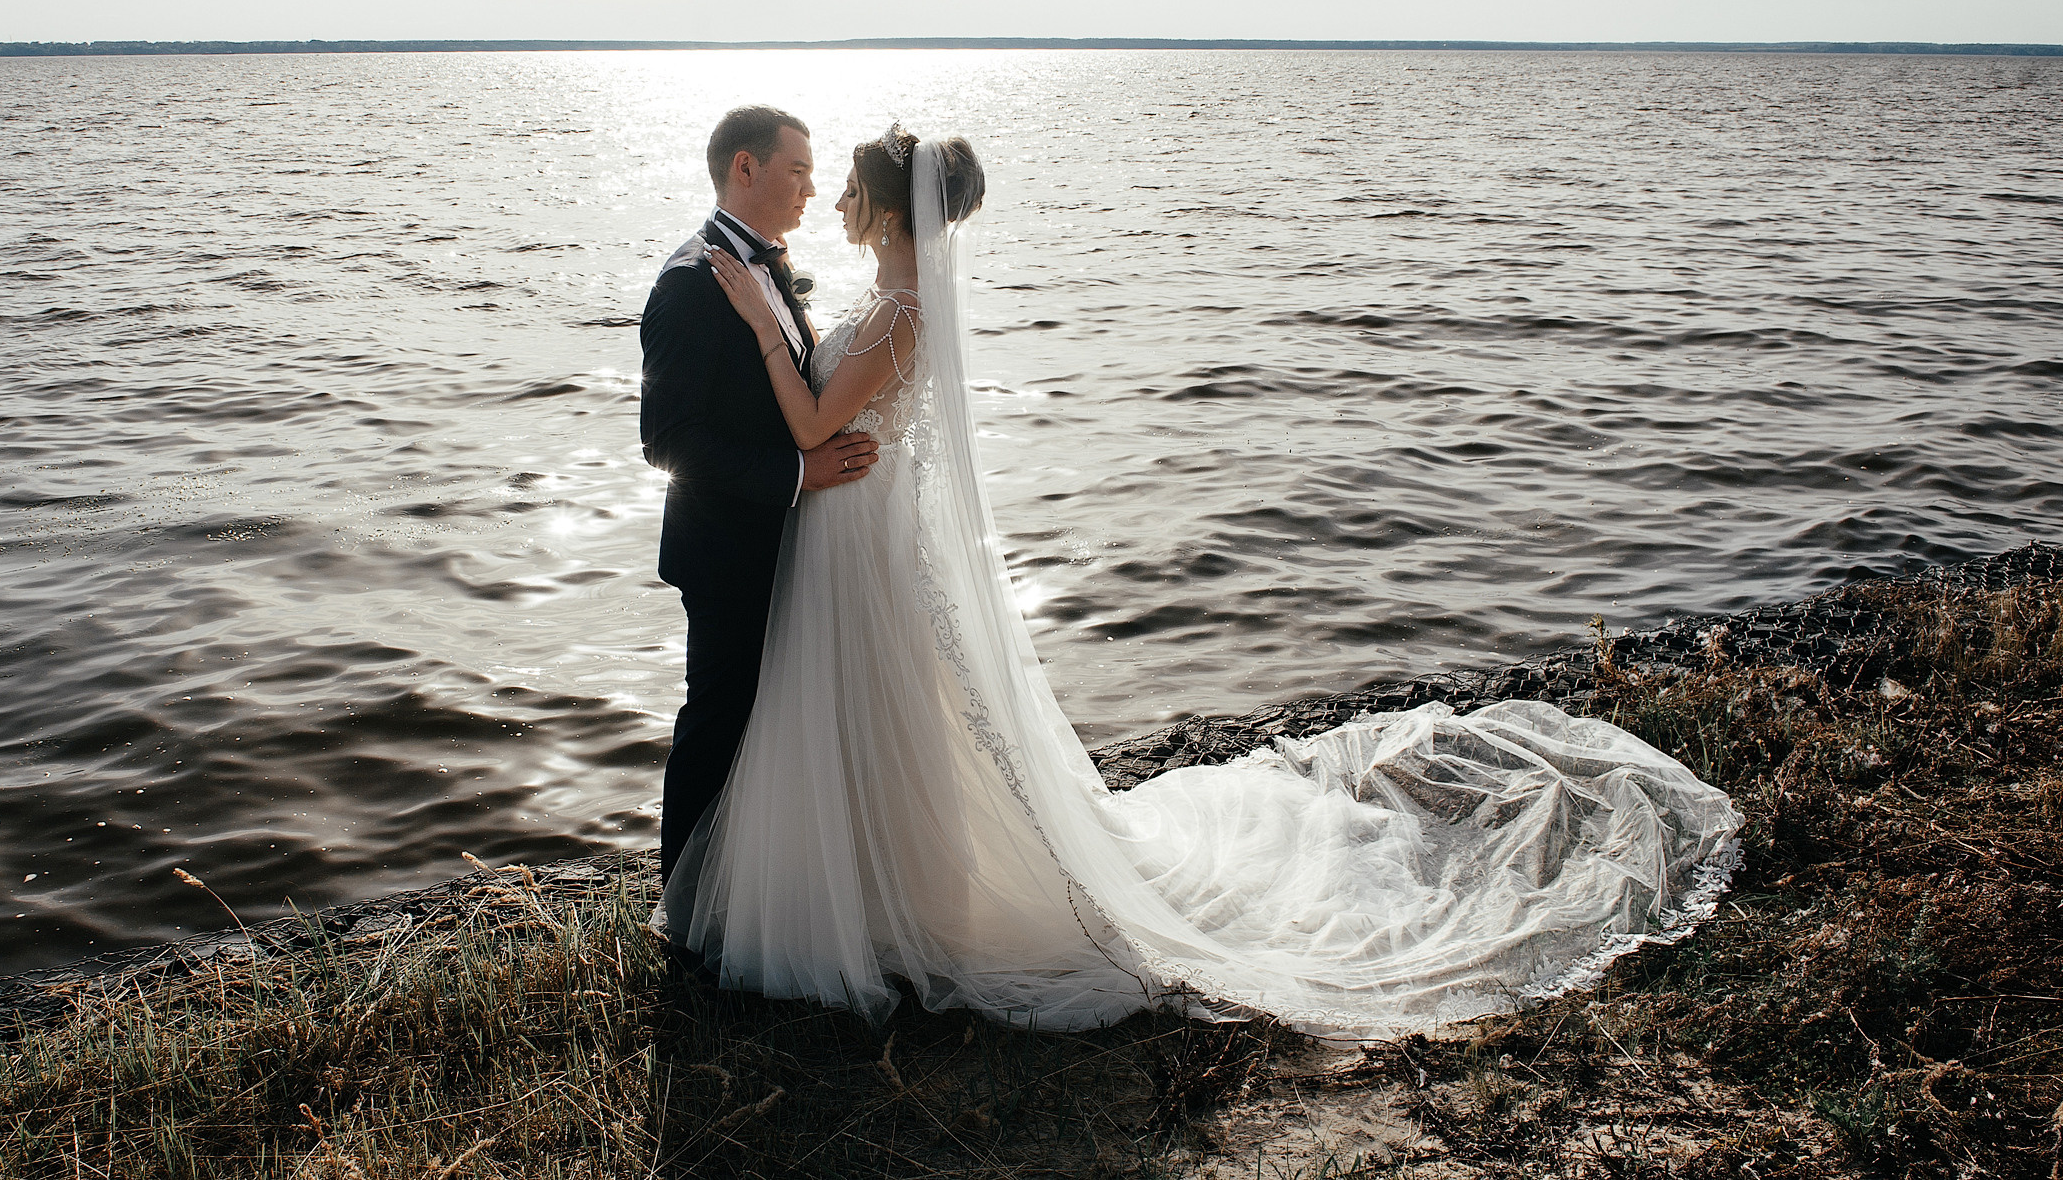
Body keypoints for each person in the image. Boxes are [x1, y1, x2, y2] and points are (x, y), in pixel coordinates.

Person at [653, 121, 1743, 1036]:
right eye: (813, 175)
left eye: (842, 183)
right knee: (878, 718)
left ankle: (892, 899)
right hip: (850, 528)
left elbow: (808, 416)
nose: (829, 196)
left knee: (885, 713)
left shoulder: (897, 316)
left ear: (889, 212)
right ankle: (875, 881)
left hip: (857, 532)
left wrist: (758, 327)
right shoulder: (885, 301)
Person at [638, 105, 880, 884]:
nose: (812, 188)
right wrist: (799, 476)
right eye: (797, 170)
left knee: (775, 726)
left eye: (814, 173)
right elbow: (667, 440)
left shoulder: (764, 267)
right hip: (729, 550)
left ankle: (756, 893)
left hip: (791, 543)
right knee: (718, 723)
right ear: (745, 168)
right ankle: (686, 906)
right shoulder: (689, 284)